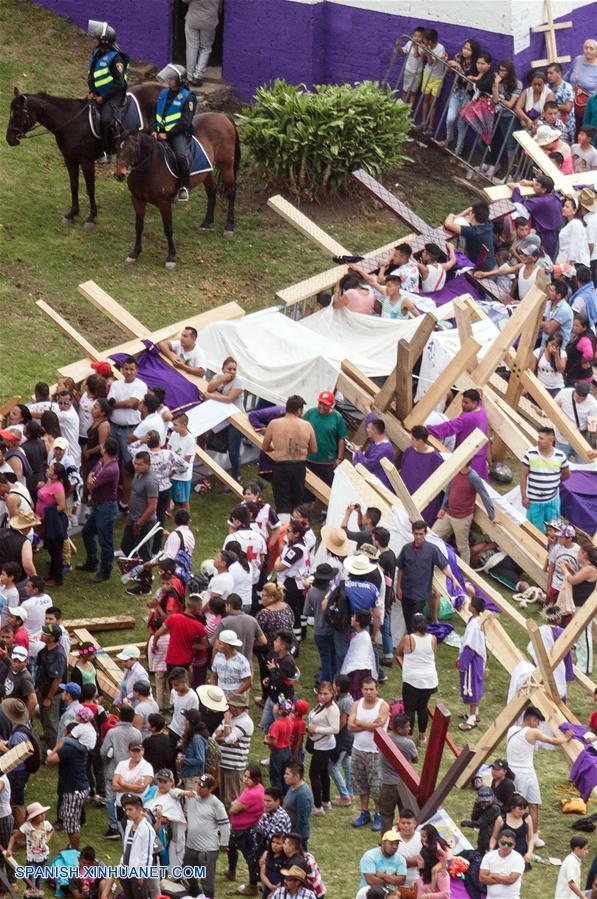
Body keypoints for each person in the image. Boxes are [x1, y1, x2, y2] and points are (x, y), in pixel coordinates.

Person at [506, 705, 572, 841]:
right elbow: (552, 741)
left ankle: (530, 836)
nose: (538, 725)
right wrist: (566, 738)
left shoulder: (512, 730)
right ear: (531, 721)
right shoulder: (532, 732)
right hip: (524, 774)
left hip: (518, 773)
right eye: (537, 722)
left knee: (528, 805)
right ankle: (527, 836)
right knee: (527, 806)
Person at [262, 395, 317, 522]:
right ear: (299, 410)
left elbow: (265, 446)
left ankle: (283, 530)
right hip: (299, 465)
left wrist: (276, 449)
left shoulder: (274, 424)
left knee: (282, 502)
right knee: (297, 500)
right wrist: (301, 450)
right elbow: (314, 449)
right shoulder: (307, 425)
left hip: (281, 464)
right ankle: (298, 527)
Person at [432, 462, 495, 564]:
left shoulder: (473, 477)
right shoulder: (456, 471)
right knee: (433, 534)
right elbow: (449, 490)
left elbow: (484, 495)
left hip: (462, 518)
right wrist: (443, 508)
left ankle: (465, 575)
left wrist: (492, 516)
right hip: (449, 513)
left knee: (462, 547)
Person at [152, 63, 197, 203]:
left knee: (181, 156)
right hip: (159, 132)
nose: (168, 81)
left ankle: (184, 187)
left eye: (171, 78)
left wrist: (168, 135)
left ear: (180, 80)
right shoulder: (163, 93)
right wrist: (154, 130)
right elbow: (155, 114)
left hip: (178, 134)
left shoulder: (188, 97)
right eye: (168, 78)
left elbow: (185, 122)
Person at [349, 677, 389, 832]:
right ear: (361, 690)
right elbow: (350, 726)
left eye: (371, 689)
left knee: (376, 786)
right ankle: (364, 812)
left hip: (376, 752)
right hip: (358, 749)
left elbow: (378, 726)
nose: (368, 692)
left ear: (377, 689)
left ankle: (378, 813)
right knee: (360, 783)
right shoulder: (356, 704)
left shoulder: (382, 706)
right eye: (365, 689)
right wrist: (368, 726)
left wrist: (360, 723)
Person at [86, 19, 128, 164]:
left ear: (104, 41)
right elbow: (92, 74)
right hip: (97, 94)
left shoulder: (116, 60)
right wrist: (92, 91)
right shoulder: (97, 53)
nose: (93, 39)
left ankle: (106, 152)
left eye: (96, 38)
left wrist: (103, 98)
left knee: (105, 120)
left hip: (113, 96)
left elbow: (119, 84)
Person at [79, 436, 120, 583]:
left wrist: (90, 481)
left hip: (106, 507)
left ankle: (105, 571)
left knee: (105, 541)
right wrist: (91, 478)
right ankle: (92, 562)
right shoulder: (103, 461)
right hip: (99, 506)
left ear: (105, 449)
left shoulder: (111, 468)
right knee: (87, 532)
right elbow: (92, 473)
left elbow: (92, 485)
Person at [182, 773, 230, 899]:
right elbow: (174, 792)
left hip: (207, 849)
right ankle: (194, 891)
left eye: (202, 786)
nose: (198, 788)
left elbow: (225, 825)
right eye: (198, 784)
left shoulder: (216, 804)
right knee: (187, 872)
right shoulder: (191, 796)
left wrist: (224, 843)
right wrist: (183, 793)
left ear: (211, 789)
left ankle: (208, 897)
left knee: (207, 880)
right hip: (191, 845)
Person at [396, 521, 450, 632]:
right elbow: (401, 568)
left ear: (425, 534)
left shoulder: (432, 549)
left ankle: (415, 642)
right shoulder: (406, 549)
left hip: (420, 593)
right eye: (416, 534)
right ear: (412, 533)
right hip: (406, 590)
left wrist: (453, 579)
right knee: (407, 620)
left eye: (421, 534)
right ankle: (411, 642)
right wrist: (398, 587)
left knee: (415, 621)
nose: (418, 537)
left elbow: (444, 566)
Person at [100, 706, 143, 839]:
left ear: (119, 716)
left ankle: (113, 826)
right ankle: (129, 822)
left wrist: (106, 761)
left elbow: (103, 751)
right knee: (129, 798)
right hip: (131, 773)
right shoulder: (137, 733)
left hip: (114, 771)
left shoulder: (112, 732)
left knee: (111, 799)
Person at [427, 388, 489, 479]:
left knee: (465, 482)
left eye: (466, 403)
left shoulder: (467, 417)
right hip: (480, 455)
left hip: (470, 458)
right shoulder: (481, 411)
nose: (463, 405)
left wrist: (430, 430)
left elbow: (450, 427)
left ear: (475, 403)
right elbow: (480, 399)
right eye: (462, 401)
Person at [397, 613, 438, 747]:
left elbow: (398, 653)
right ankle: (421, 738)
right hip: (429, 679)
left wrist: (404, 665)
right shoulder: (433, 639)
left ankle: (408, 737)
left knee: (409, 709)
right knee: (422, 707)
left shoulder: (408, 638)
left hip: (412, 680)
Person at [46, 724, 91, 849]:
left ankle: (74, 851)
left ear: (68, 732)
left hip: (73, 790)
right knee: (71, 819)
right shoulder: (81, 747)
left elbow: (49, 760)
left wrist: (58, 745)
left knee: (72, 825)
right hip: (79, 787)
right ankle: (71, 847)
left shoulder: (69, 749)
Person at [121, 452, 159, 597]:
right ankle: (139, 572)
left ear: (148, 465)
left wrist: (139, 523)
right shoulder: (137, 475)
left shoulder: (151, 481)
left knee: (144, 554)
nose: (136, 467)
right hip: (133, 519)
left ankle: (146, 585)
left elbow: (152, 506)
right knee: (126, 546)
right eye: (135, 464)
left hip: (145, 522)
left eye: (140, 464)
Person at [224, 764, 265, 894]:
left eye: (249, 777)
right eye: (245, 776)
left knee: (251, 859)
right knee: (231, 849)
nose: (245, 779)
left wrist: (235, 804)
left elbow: (232, 810)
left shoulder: (253, 793)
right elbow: (238, 801)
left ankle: (253, 885)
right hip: (238, 829)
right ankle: (231, 871)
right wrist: (236, 803)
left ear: (257, 778)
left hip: (245, 831)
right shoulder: (253, 788)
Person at [520, 427, 570, 532]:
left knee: (555, 528)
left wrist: (555, 482)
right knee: (535, 530)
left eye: (541, 438)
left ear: (551, 441)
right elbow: (523, 476)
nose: (538, 440)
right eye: (538, 437)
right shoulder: (530, 454)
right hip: (534, 502)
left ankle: (553, 546)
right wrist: (524, 497)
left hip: (552, 500)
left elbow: (567, 474)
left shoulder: (560, 456)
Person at [206, 357, 245, 482]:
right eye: (229, 369)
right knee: (217, 443)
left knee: (234, 450)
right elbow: (210, 388)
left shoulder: (239, 382)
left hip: (236, 419)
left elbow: (229, 399)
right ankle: (217, 470)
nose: (232, 372)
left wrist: (211, 396)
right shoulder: (218, 376)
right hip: (222, 417)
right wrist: (221, 379)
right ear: (223, 369)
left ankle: (236, 476)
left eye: (234, 369)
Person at [378, 714, 418, 834]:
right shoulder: (408, 744)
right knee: (405, 815)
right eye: (407, 726)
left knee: (386, 815)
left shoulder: (384, 740)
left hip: (387, 784)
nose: (410, 728)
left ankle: (385, 841)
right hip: (404, 785)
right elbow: (416, 759)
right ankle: (405, 840)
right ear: (399, 729)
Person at [561, 542, 597, 675]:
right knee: (580, 635)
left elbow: (573, 580)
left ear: (584, 554)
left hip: (584, 605)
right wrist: (570, 570)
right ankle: (582, 663)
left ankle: (586, 666)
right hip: (580, 604)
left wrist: (565, 571)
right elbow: (577, 577)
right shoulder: (586, 568)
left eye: (580, 552)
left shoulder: (590, 569)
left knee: (584, 634)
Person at [508, 175, 562, 259]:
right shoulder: (555, 195)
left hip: (544, 236)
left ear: (543, 190)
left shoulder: (541, 201)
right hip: (553, 234)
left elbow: (521, 205)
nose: (534, 186)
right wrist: (530, 183)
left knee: (539, 257)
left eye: (537, 185)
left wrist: (516, 189)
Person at [306, 681, 339, 817]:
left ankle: (318, 805)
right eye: (320, 693)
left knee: (313, 773)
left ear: (332, 694)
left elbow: (335, 729)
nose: (322, 696)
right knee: (323, 772)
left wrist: (316, 729)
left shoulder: (332, 709)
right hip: (319, 743)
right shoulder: (321, 706)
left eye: (326, 694)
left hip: (324, 745)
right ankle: (325, 800)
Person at [302, 390, 347, 491]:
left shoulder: (337, 417)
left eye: (325, 404)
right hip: (309, 458)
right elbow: (300, 428)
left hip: (328, 461)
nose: (321, 406)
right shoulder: (310, 413)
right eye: (320, 403)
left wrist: (339, 458)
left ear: (331, 405)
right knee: (306, 487)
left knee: (328, 488)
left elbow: (341, 438)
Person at [6, 801, 53, 890]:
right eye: (40, 814)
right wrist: (9, 849)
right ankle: (30, 894)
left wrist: (47, 838)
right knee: (31, 880)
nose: (43, 815)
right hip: (32, 859)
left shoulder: (46, 824)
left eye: (43, 813)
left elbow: (51, 830)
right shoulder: (27, 826)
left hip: (43, 857)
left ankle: (36, 894)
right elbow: (14, 837)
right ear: (34, 817)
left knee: (39, 879)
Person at [35, 622, 67, 751]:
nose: (42, 635)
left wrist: (49, 698)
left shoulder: (58, 655)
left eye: (45, 634)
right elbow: (41, 670)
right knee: (44, 720)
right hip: (42, 691)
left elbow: (57, 679)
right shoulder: (45, 650)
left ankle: (52, 752)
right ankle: (47, 744)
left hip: (51, 696)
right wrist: (38, 687)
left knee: (51, 724)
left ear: (52, 638)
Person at [456, 595, 487, 732]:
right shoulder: (476, 620)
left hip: (472, 660)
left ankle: (472, 718)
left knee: (472, 687)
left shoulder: (475, 625)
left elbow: (470, 645)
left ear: (473, 608)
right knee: (476, 685)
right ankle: (475, 713)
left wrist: (463, 662)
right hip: (476, 658)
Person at [119, 793, 155, 899]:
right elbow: (126, 848)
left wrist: (142, 874)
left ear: (139, 809)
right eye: (126, 810)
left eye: (130, 810)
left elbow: (147, 854)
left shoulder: (147, 829)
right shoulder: (129, 825)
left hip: (137, 872)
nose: (128, 813)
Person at [444, 202, 496, 271]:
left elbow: (448, 224)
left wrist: (453, 215)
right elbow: (470, 209)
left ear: (472, 215)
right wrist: (462, 214)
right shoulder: (488, 223)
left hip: (482, 268)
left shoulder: (472, 231)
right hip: (491, 262)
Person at [554, 382, 597, 461]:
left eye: (582, 399)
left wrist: (593, 430)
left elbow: (593, 427)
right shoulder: (564, 394)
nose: (579, 400)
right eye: (577, 397)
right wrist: (543, 413)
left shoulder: (593, 404)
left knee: (583, 466)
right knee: (558, 463)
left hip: (581, 439)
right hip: (563, 438)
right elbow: (553, 407)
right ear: (575, 391)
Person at [489, 793, 533, 870]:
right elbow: (494, 837)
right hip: (505, 852)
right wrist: (491, 850)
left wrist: (529, 853)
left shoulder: (527, 818)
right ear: (512, 808)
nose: (522, 812)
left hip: (521, 855)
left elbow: (531, 839)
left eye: (524, 809)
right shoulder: (501, 819)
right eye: (520, 809)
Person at [352, 414, 396, 490]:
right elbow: (372, 421)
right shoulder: (378, 438)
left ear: (374, 431)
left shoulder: (383, 449)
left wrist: (358, 451)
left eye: (369, 428)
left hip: (379, 484)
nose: (367, 429)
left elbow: (368, 464)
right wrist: (368, 410)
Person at [183, 0, 220, 87]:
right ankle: (197, 76)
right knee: (205, 48)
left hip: (193, 19)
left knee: (192, 47)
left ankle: (189, 76)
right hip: (209, 20)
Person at [480, 828, 525, 898]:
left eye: (509, 844)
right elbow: (482, 878)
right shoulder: (488, 856)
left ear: (514, 845)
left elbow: (511, 880)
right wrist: (503, 878)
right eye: (503, 843)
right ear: (498, 842)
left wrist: (494, 875)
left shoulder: (518, 858)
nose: (506, 846)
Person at [421, 28, 447, 132]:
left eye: (424, 40)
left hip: (437, 78)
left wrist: (427, 51)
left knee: (433, 102)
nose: (423, 42)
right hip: (427, 74)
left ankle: (431, 126)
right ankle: (423, 123)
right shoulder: (427, 46)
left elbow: (431, 62)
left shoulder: (440, 49)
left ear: (430, 41)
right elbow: (425, 61)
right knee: (425, 99)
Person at [283, 763, 313, 848]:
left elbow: (302, 820)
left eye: (287, 774)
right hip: (289, 831)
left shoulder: (302, 794)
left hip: (297, 837)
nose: (284, 776)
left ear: (297, 776)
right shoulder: (292, 786)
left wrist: (294, 838)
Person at [465, 786, 503, 855]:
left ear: (493, 797)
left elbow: (479, 823)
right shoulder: (482, 805)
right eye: (483, 801)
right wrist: (477, 805)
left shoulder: (495, 808)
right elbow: (474, 818)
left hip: (491, 840)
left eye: (487, 801)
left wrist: (467, 823)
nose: (485, 804)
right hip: (483, 839)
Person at [568, 39, 597, 128]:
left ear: (596, 52)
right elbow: (568, 75)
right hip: (571, 103)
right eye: (586, 48)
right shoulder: (578, 60)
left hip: (588, 107)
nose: (588, 50)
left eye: (591, 48)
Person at [558, 198, 591, 267]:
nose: (563, 208)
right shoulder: (570, 224)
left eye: (567, 207)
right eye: (564, 206)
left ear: (574, 210)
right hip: (566, 261)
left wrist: (571, 263)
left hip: (574, 263)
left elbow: (575, 244)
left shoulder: (576, 224)